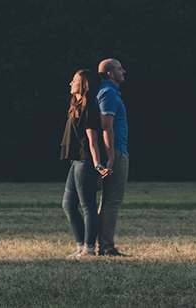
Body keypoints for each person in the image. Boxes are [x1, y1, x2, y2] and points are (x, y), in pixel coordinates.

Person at [59, 68, 109, 258]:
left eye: (74, 80)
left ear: (84, 84)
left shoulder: (88, 109)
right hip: (76, 162)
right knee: (68, 205)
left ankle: (89, 249)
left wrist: (97, 164)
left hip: (86, 162)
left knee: (88, 206)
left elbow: (93, 140)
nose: (70, 83)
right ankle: (81, 246)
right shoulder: (76, 106)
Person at [94, 57, 130, 257]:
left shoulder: (110, 92)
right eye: (119, 68)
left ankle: (103, 245)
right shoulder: (108, 93)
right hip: (115, 150)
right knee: (112, 200)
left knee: (107, 200)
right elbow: (106, 126)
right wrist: (111, 157)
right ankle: (106, 246)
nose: (123, 71)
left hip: (115, 149)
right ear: (110, 73)